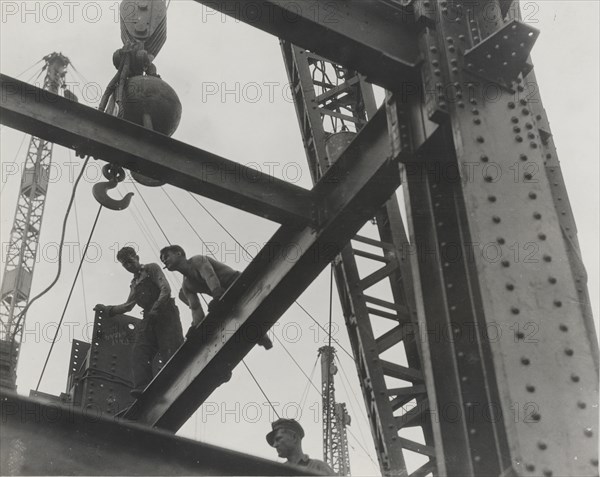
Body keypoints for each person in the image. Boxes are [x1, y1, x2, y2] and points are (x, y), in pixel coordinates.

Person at [94, 246, 183, 397]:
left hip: (165, 312)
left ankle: (178, 380)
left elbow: (165, 289)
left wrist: (156, 307)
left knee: (170, 348)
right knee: (139, 351)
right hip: (149, 317)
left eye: (130, 261)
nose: (129, 266)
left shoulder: (151, 269)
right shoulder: (134, 283)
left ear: (137, 257)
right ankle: (143, 387)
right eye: (125, 265)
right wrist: (108, 309)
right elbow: (128, 306)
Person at [159, 244, 272, 349]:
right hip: (225, 298)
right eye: (162, 259)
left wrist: (217, 295)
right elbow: (195, 307)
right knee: (231, 314)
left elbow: (210, 275)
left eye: (166, 256)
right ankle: (259, 334)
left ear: (178, 253)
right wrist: (196, 327)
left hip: (237, 283)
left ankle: (260, 333)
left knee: (230, 307)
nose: (164, 260)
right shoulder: (186, 285)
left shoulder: (197, 260)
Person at [266, 418, 335, 475]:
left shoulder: (319, 467)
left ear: (294, 437)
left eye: (278, 439)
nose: (275, 445)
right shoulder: (278, 473)